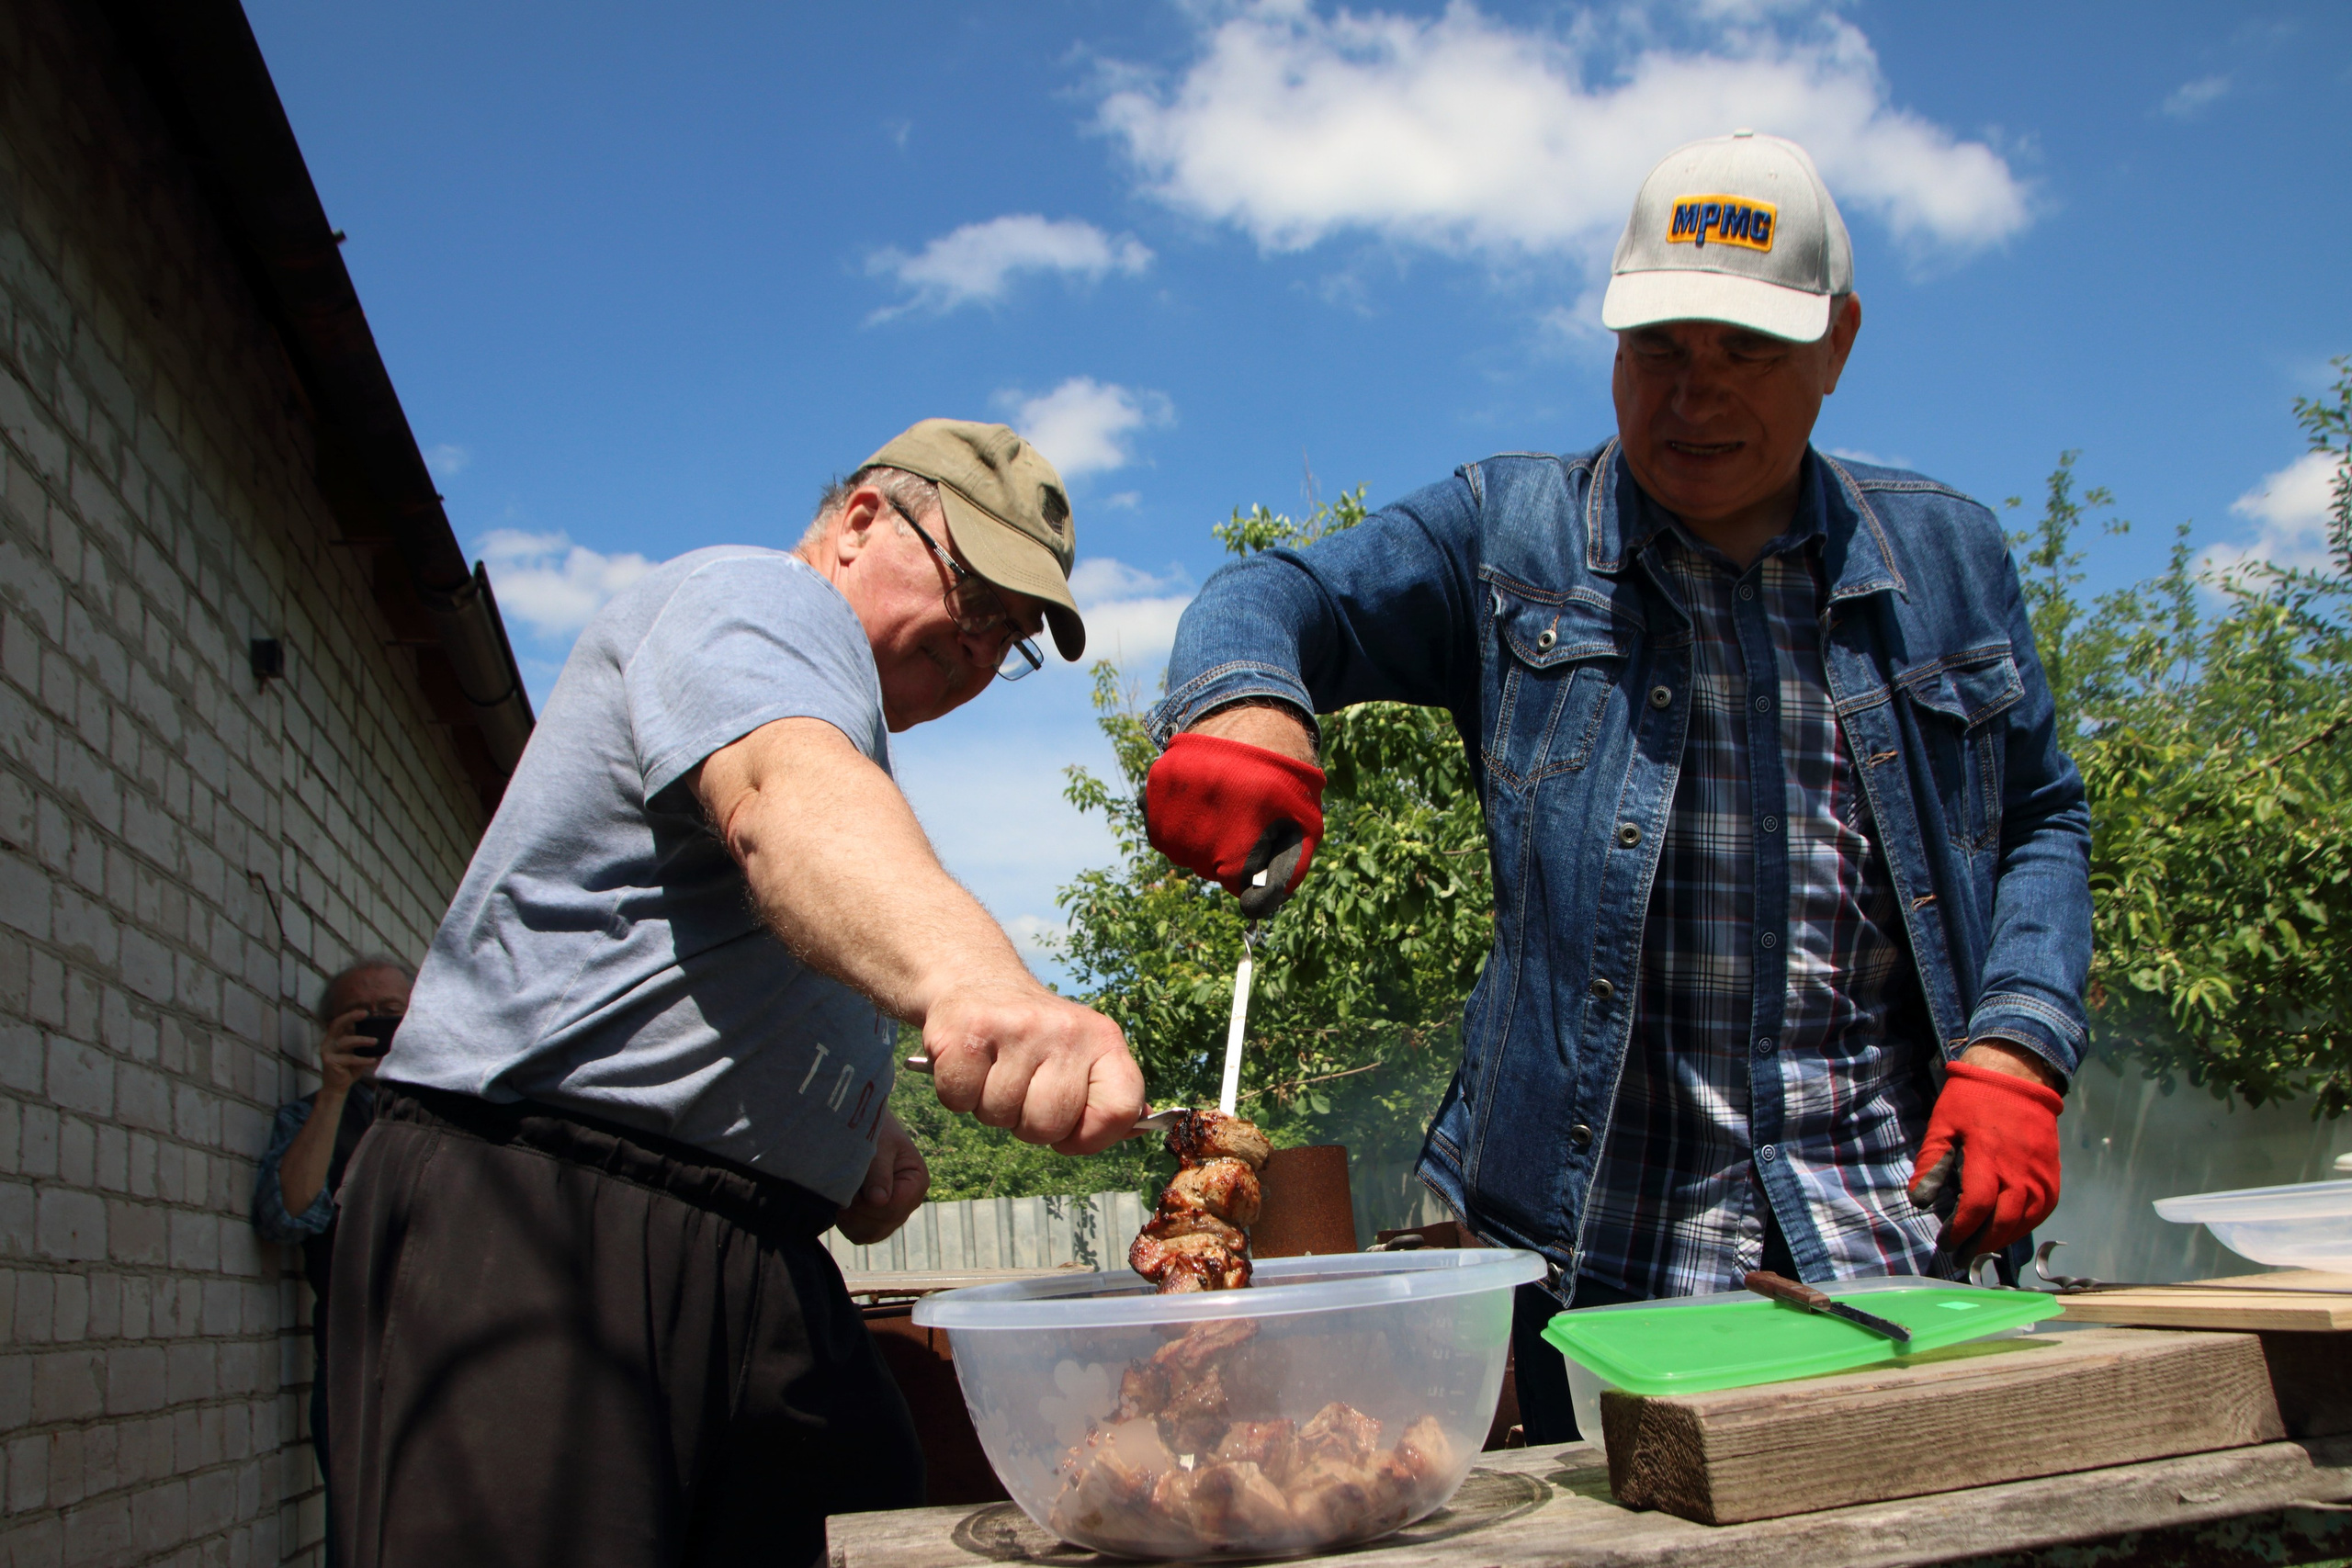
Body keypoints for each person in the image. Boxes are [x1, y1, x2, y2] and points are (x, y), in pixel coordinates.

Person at [1142, 132, 2090, 1439]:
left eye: (1746, 349)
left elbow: (2039, 815)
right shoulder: (1506, 532)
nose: (1694, 395)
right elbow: (1274, 591)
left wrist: (2018, 1045)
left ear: (1837, 344)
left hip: (1890, 1242)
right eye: (1657, 346)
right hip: (1590, 1263)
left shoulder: (1950, 556)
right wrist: (1243, 704)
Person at [325, 420, 1146, 1568]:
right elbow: (782, 801)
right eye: (976, 594)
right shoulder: (756, 602)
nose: (979, 648)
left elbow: (724, 946)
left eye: (1010, 636)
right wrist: (982, 987)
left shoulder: (834, 717)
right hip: (543, 1220)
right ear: (861, 521)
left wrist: (844, 1129)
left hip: (745, 1246)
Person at [251, 955, 413, 1560]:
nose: (377, 1026)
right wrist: (335, 1092)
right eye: (358, 1016)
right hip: (355, 1370)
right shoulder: (309, 1118)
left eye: (391, 1013)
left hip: (457, 1358)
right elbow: (285, 1217)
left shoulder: (460, 1107)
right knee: (362, 1544)